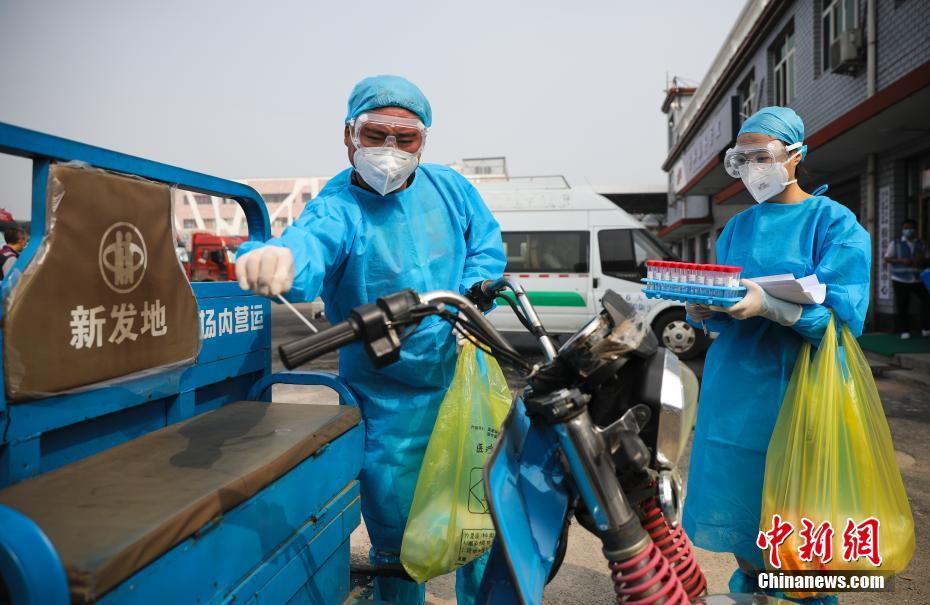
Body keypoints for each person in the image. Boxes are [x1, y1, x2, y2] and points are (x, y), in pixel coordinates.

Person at [235, 75, 506, 604]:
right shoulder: (338, 205)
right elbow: (310, 243)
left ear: (424, 141)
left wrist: (474, 294)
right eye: (375, 134)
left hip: (462, 380)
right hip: (387, 402)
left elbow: (486, 247)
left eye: (406, 139)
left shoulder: (451, 189)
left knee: (481, 517)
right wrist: (279, 259)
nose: (390, 151)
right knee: (398, 541)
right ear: (348, 135)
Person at [683, 106, 871, 604]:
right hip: (734, 390)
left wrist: (774, 307)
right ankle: (752, 590)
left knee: (799, 523)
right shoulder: (737, 228)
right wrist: (705, 309)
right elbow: (729, 308)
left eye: (761, 156)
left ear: (795, 155)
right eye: (741, 159)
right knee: (740, 505)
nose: (752, 169)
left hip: (801, 386)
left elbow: (842, 323)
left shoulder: (834, 223)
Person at [883, 219, 930, 339]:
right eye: (906, 228)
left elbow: (927, 258)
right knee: (902, 305)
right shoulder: (896, 243)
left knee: (926, 301)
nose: (908, 230)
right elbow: (887, 258)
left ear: (915, 229)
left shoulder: (921, 244)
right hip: (900, 279)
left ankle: (925, 328)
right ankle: (904, 330)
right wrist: (901, 260)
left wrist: (921, 261)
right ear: (902, 230)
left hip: (918, 279)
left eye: (910, 228)